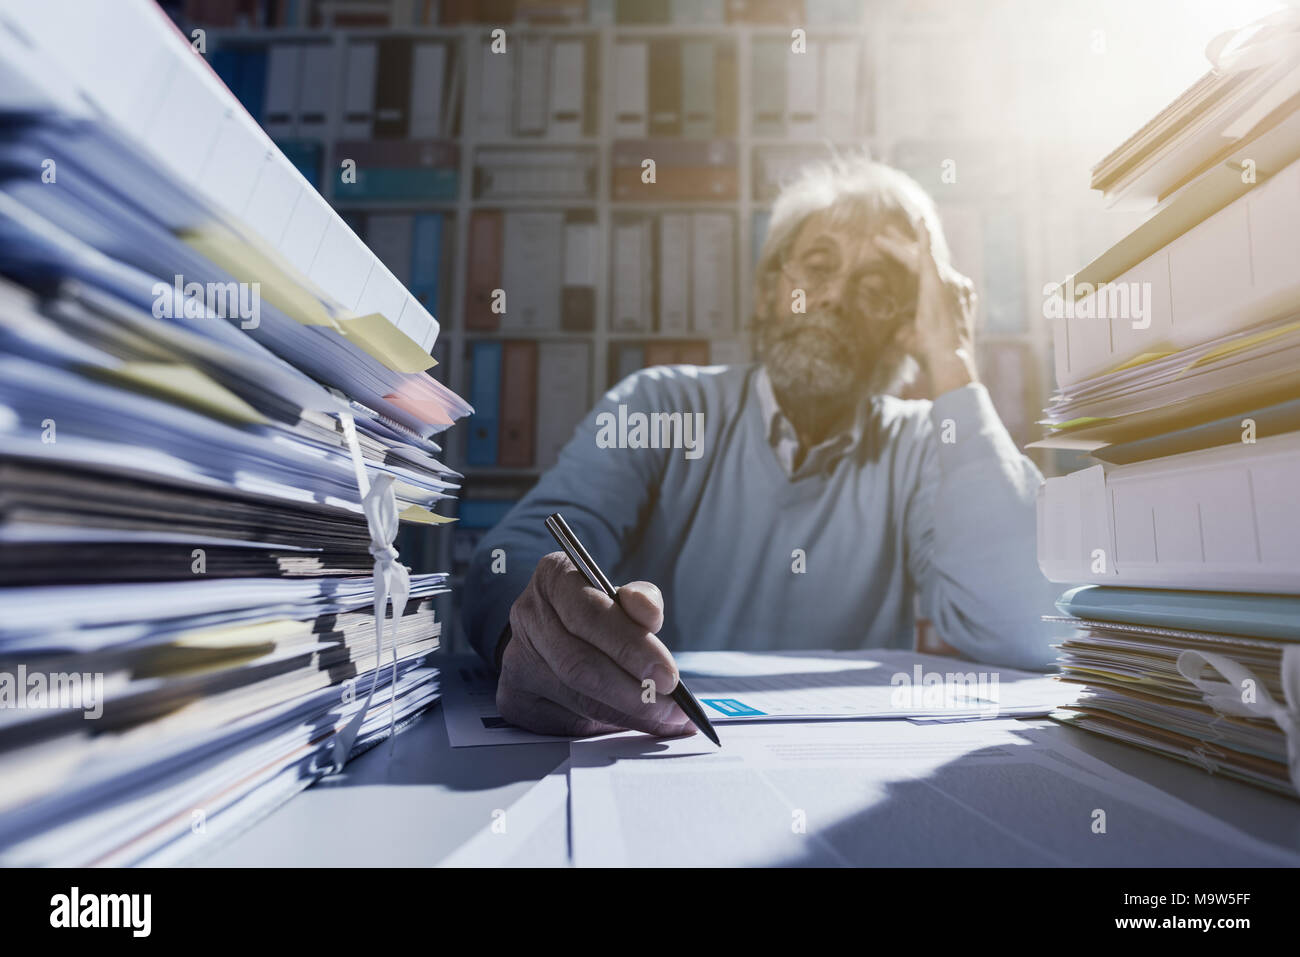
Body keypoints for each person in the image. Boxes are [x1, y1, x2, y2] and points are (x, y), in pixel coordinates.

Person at [463, 155, 1061, 738]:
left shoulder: (929, 443)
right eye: (818, 266)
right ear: (767, 292)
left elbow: (1032, 626)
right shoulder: (659, 406)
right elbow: (514, 555)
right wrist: (540, 633)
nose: (833, 299)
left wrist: (951, 360)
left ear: (907, 325)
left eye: (876, 288)